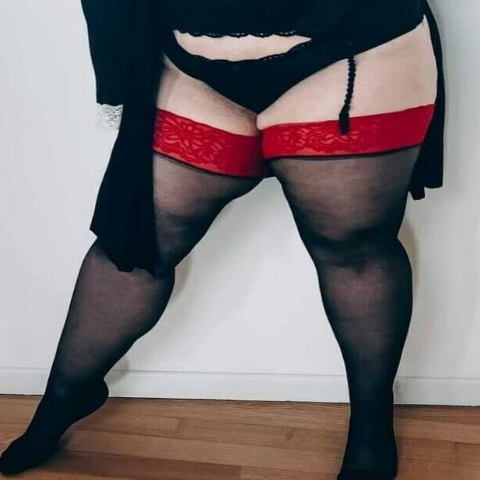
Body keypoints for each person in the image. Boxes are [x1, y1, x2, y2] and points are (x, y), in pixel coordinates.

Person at [0, 0, 445, 478]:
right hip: (190, 58)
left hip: (351, 50)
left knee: (353, 250)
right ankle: (66, 394)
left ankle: (372, 422)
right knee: (135, 243)